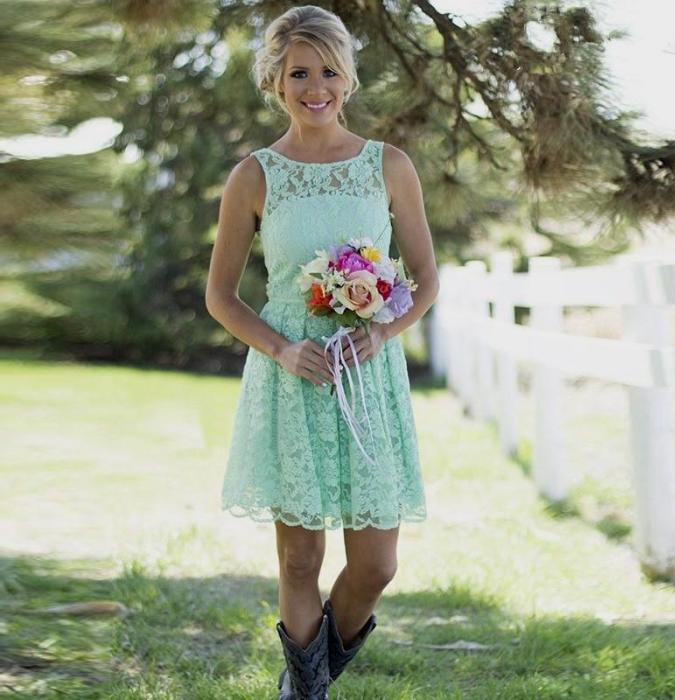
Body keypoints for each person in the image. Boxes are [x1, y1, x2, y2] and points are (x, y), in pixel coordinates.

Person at [205, 5, 440, 698]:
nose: (316, 87)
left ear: (349, 78)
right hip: (292, 378)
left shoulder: (387, 166)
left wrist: (382, 331)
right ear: (274, 79)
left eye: (329, 71)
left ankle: (297, 683)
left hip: (369, 379)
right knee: (300, 558)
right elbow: (222, 296)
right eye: (298, 72)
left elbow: (425, 280)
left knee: (376, 565)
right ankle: (304, 694)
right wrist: (281, 349)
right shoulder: (254, 175)